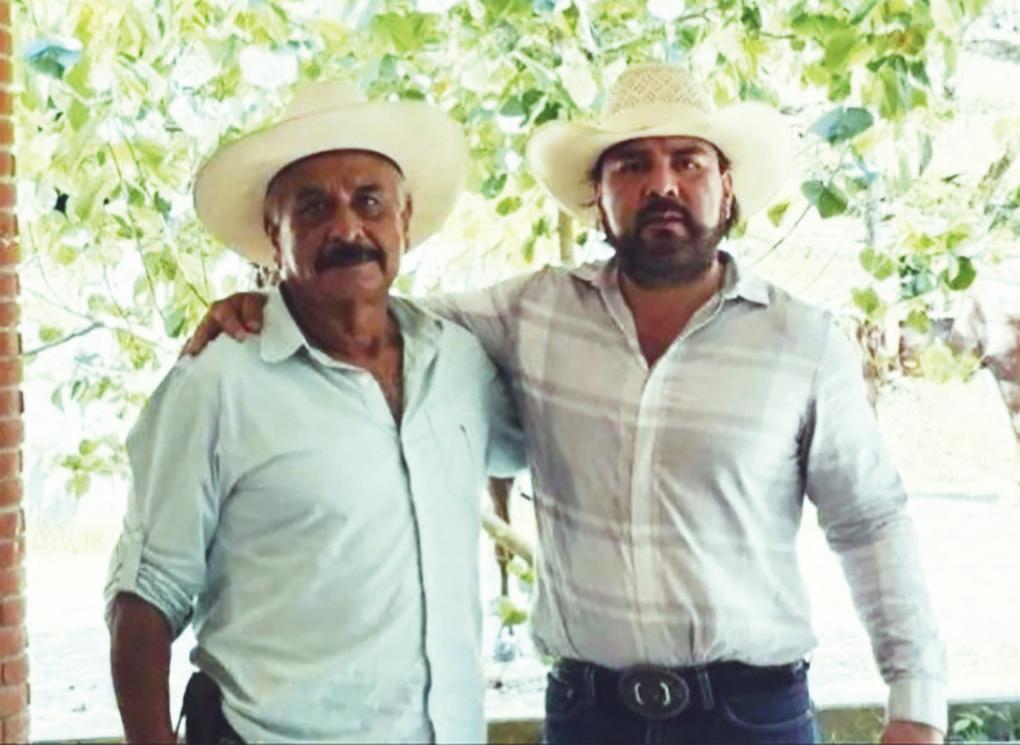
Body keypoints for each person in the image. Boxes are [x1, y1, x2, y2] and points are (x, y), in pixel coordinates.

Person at [185, 64, 947, 744]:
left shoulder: (802, 341)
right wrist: (265, 307)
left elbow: (869, 519)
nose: (662, 185)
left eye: (687, 161)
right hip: (590, 716)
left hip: (751, 718)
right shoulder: (532, 314)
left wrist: (916, 704)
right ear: (598, 198)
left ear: (727, 187)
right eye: (632, 165)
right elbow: (366, 316)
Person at [104, 81, 523, 744]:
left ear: (405, 220)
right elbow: (144, 598)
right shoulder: (217, 383)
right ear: (274, 237)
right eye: (312, 206)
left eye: (369, 201)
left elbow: (541, 441)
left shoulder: (460, 363)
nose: (347, 228)